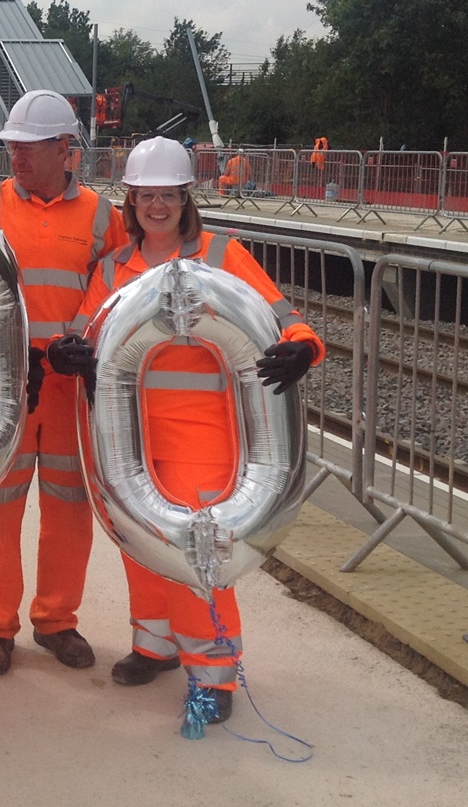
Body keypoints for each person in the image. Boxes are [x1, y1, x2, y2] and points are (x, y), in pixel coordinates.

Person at [46, 135, 323, 723]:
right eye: (146, 196)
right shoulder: (115, 268)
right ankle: (155, 644)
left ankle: (215, 675)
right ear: (132, 202)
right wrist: (64, 353)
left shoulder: (223, 257)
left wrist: (304, 350)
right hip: (133, 433)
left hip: (205, 435)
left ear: (185, 198)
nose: (156, 207)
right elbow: (82, 330)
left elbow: (280, 316)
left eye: (167, 196)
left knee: (202, 547)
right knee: (143, 539)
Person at [0, 90, 127, 677]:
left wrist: (87, 341)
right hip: (8, 386)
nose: (16, 157)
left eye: (28, 147)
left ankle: (57, 620)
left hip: (69, 390)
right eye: (12, 146)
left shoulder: (103, 217)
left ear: (65, 149)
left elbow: (120, 288)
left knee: (69, 507)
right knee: (0, 505)